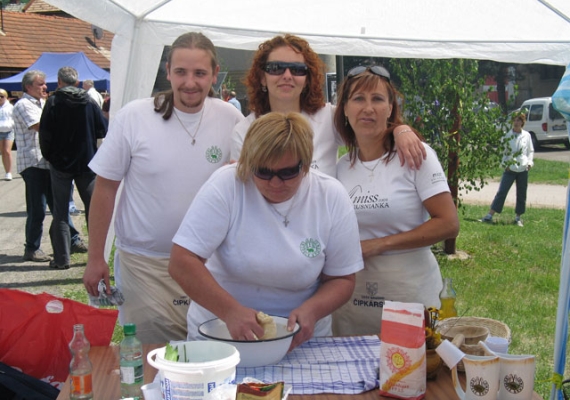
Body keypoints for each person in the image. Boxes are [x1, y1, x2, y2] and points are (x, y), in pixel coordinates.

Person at [84, 32, 244, 344]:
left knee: (209, 352)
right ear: (168, 71)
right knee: (155, 358)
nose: (190, 83)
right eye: (181, 72)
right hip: (145, 267)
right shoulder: (134, 116)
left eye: (200, 73)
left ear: (215, 74)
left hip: (208, 266)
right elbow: (105, 188)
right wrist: (95, 257)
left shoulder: (231, 118)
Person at [169, 112, 363, 348]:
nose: (275, 183)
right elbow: (182, 261)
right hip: (222, 330)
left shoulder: (330, 195)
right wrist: (230, 310)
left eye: (287, 173)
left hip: (299, 337)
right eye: (263, 172)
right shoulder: (227, 185)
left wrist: (312, 310)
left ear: (305, 165)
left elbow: (342, 278)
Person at [330, 65, 460, 336]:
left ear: (390, 108)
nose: (368, 108)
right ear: (344, 109)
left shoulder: (416, 155)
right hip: (353, 304)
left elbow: (449, 223)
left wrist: (380, 244)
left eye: (377, 99)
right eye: (358, 99)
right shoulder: (341, 167)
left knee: (410, 364)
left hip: (410, 296)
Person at [230, 34, 426, 177]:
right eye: (276, 68)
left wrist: (400, 130)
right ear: (262, 78)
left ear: (307, 79)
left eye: (297, 69)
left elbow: (373, 133)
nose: (287, 75)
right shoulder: (244, 131)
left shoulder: (327, 117)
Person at [13, 70, 87, 263]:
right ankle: (32, 247)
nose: (45, 87)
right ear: (28, 87)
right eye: (40, 84)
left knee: (58, 206)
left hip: (47, 162)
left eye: (45, 83)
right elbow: (40, 126)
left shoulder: (43, 103)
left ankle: (72, 239)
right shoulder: (23, 105)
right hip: (33, 162)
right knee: (38, 207)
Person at [39, 67, 108, 269]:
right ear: (77, 83)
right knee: (92, 210)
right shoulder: (89, 101)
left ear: (59, 82)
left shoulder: (53, 101)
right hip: (86, 162)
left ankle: (62, 259)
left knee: (60, 212)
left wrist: (49, 156)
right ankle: (96, 257)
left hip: (60, 163)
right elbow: (102, 129)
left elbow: (45, 133)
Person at [481, 111, 534, 227]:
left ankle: (518, 217)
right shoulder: (507, 135)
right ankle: (490, 215)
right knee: (502, 191)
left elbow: (530, 151)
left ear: (522, 122)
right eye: (515, 120)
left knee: (521, 193)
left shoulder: (527, 135)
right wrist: (505, 165)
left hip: (522, 168)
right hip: (510, 168)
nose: (516, 122)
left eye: (518, 120)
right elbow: (502, 152)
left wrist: (529, 163)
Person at [0, 88, 14, 181]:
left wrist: (11, 125)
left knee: (7, 151)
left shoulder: (10, 107)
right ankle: (6, 171)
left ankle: (9, 172)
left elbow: (14, 118)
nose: (0, 98)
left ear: (6, 97)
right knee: (3, 152)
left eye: (2, 96)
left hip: (9, 131)